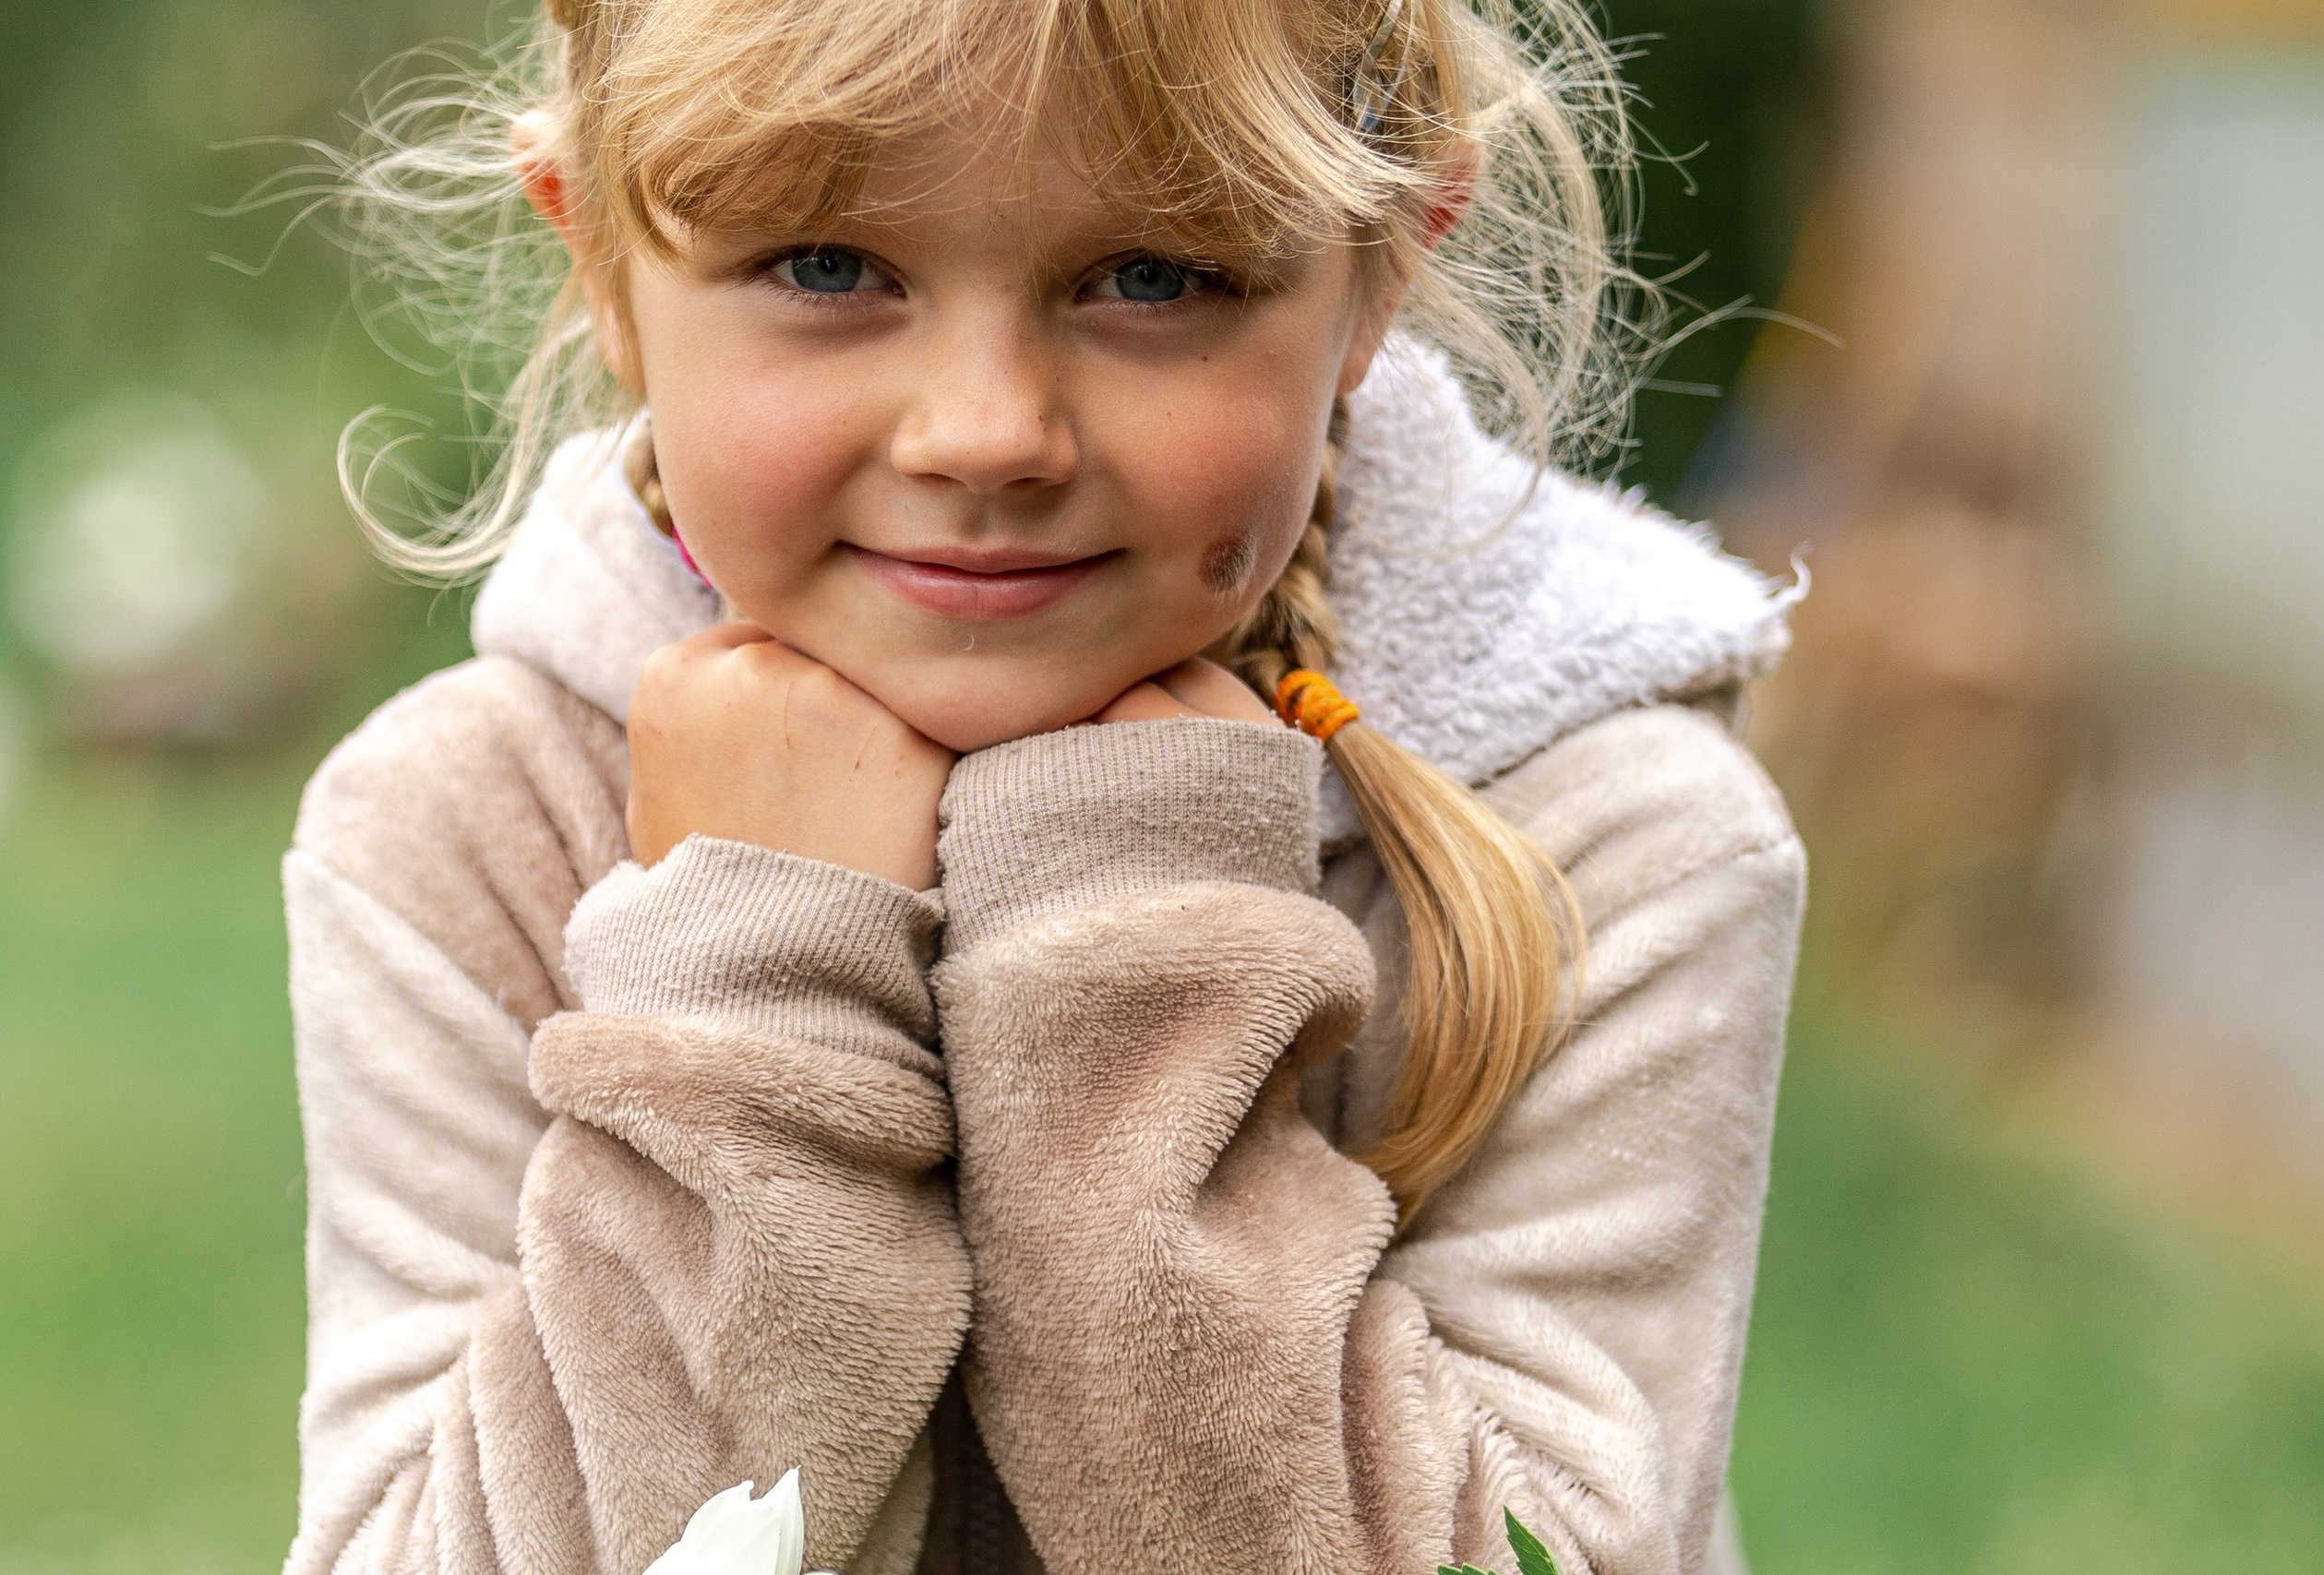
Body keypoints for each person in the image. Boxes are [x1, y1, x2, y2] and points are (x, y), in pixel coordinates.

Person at [282, 1, 1805, 1571]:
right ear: (600, 260)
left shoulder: (1608, 853)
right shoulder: (463, 830)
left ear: (1378, 274)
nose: (989, 434)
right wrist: (752, 1018)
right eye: (827, 267)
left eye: (1153, 277)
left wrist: (1121, 960)